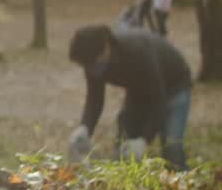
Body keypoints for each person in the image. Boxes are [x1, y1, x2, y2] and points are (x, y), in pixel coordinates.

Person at [66, 24, 191, 170]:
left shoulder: (136, 51)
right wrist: (85, 128)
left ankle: (182, 180)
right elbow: (95, 98)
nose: (92, 70)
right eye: (87, 66)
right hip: (138, 91)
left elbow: (159, 101)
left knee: (172, 147)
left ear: (106, 47)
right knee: (123, 146)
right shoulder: (93, 61)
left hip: (174, 88)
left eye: (94, 63)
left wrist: (145, 140)